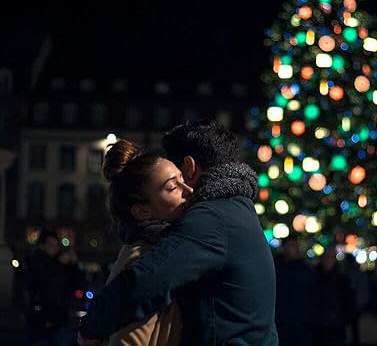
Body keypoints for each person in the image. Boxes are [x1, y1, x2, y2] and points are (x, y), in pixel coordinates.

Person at [78, 119, 278, 345]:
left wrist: (90, 326)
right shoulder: (236, 207)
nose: (188, 190)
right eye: (173, 185)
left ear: (189, 166)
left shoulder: (211, 217)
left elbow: (146, 282)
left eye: (178, 177)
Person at [100, 139, 193, 345]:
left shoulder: (161, 247)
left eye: (182, 178)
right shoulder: (143, 259)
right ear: (142, 211)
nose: (188, 189)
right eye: (172, 187)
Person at [26, 229, 83, 346]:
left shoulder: (59, 263)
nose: (55, 249)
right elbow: (41, 281)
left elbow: (78, 284)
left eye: (56, 245)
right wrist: (59, 263)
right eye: (51, 245)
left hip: (60, 319)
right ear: (42, 246)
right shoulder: (35, 260)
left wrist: (73, 264)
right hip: (40, 319)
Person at [274, 235, 318, 346]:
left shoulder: (305, 270)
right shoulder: (277, 268)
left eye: (295, 246)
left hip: (300, 324)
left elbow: (312, 296)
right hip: (282, 322)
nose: (295, 249)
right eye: (291, 246)